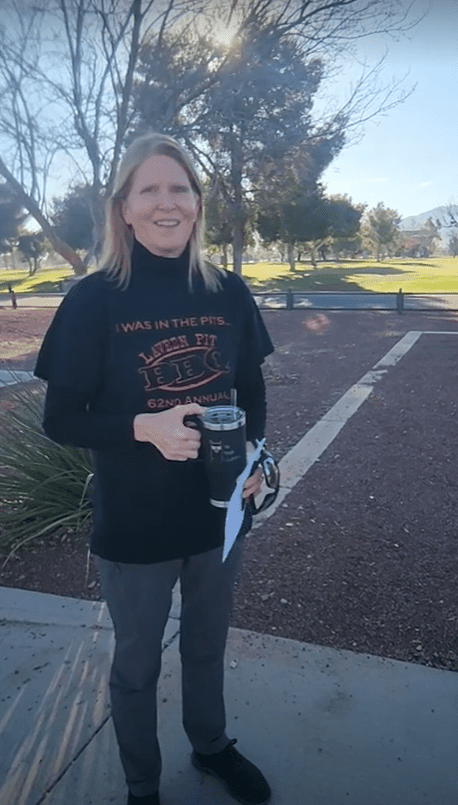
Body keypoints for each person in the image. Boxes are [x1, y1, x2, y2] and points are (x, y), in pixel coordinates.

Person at [34, 133, 274, 805]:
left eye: (180, 188)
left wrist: (257, 456)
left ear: (196, 204)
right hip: (134, 525)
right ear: (124, 208)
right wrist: (143, 426)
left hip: (219, 514)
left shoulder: (227, 290)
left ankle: (211, 745)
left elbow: (249, 392)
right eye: (150, 189)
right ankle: (142, 784)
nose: (167, 202)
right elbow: (59, 418)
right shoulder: (93, 300)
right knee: (137, 664)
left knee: (204, 647)